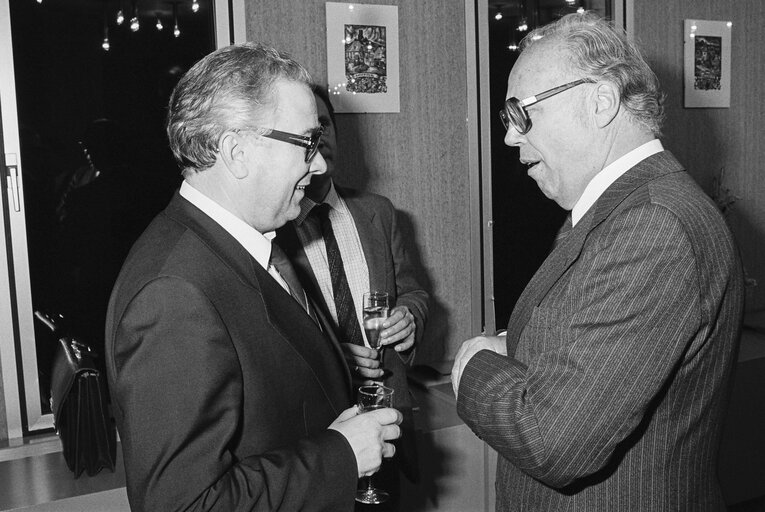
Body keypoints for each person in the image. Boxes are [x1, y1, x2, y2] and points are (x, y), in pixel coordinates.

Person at [451, 12, 744, 511]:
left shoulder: (653, 226)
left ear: (601, 101)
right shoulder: (620, 210)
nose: (509, 138)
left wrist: (473, 364)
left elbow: (552, 442)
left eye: (521, 113)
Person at [105, 43, 402, 512]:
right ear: (237, 151)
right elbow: (184, 504)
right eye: (307, 143)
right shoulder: (173, 294)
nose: (321, 164)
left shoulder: (248, 245)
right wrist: (342, 454)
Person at [276, 84, 429, 510]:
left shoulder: (378, 211)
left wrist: (409, 317)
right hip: (315, 439)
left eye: (324, 124)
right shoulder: (271, 228)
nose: (318, 136)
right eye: (305, 129)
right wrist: (330, 354)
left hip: (387, 422)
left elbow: (414, 290)